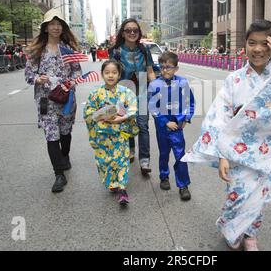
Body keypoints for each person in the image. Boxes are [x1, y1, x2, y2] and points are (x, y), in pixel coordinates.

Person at [182, 20, 271, 251]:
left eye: (265, 44)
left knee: (260, 198)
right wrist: (221, 155)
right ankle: (230, 226)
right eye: (252, 43)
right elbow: (219, 117)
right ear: (245, 45)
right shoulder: (235, 79)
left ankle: (251, 234)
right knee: (236, 195)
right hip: (236, 152)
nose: (258, 49)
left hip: (267, 151)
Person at [24, 9, 82, 193]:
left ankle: (64, 156)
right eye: (52, 24)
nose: (56, 27)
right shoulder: (36, 51)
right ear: (46, 28)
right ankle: (59, 174)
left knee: (65, 132)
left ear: (62, 28)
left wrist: (71, 82)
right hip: (45, 99)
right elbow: (28, 74)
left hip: (66, 97)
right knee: (51, 134)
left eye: (59, 24)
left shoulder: (69, 49)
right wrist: (37, 79)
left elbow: (77, 71)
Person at [83, 60, 139, 205]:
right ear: (102, 74)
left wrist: (123, 117)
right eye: (107, 72)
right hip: (102, 134)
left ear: (119, 75)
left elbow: (133, 107)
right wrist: (101, 115)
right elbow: (88, 112)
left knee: (121, 160)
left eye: (114, 72)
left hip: (120, 133)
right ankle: (112, 184)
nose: (110, 75)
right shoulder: (96, 93)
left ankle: (122, 188)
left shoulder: (126, 92)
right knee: (105, 161)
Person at [109, 18, 156, 175]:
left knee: (143, 125)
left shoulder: (144, 50)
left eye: (135, 30)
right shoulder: (116, 51)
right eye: (128, 30)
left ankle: (145, 160)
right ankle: (130, 149)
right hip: (123, 92)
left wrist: (157, 89)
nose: (132, 33)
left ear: (139, 33)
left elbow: (150, 70)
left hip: (142, 90)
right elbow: (112, 73)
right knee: (127, 123)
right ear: (123, 33)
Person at [148, 52, 195, 201]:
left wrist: (186, 118)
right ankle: (164, 176)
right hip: (162, 125)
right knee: (163, 153)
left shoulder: (182, 83)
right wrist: (165, 121)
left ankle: (183, 185)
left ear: (176, 68)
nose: (165, 70)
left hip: (177, 125)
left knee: (180, 155)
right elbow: (152, 107)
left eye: (168, 67)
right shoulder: (154, 84)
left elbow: (190, 102)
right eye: (162, 67)